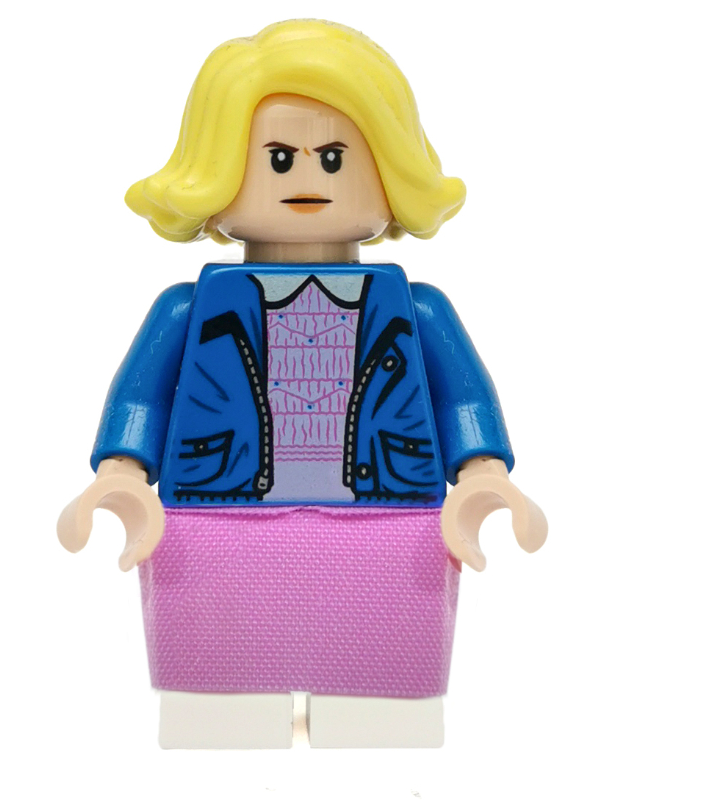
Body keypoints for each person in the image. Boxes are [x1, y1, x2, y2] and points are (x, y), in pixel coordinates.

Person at [58, 19, 547, 749]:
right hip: (214, 521)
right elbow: (142, 397)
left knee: (384, 707)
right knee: (215, 706)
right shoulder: (189, 308)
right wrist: (122, 473)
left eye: (335, 156)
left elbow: (462, 398)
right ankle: (223, 738)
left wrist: (481, 473)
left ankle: (380, 744)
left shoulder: (417, 308)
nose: (309, 178)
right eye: (279, 158)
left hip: (390, 525)